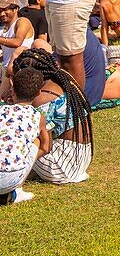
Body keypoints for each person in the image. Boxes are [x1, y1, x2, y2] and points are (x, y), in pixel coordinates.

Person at [13, 47, 93, 185]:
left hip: (61, 166)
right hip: (79, 158)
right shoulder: (61, 82)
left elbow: (46, 144)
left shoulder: (42, 98)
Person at [0, 67, 52, 204]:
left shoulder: (2, 110)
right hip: (11, 179)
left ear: (12, 88)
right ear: (39, 92)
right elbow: (46, 147)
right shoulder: (38, 116)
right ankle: (17, 190)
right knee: (37, 141)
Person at [0, 0, 35, 72]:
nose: (2, 14)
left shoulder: (22, 21)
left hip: (21, 68)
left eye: (5, 10)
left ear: (16, 9)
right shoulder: (2, 29)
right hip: (5, 68)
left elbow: (17, 42)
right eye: (0, 11)